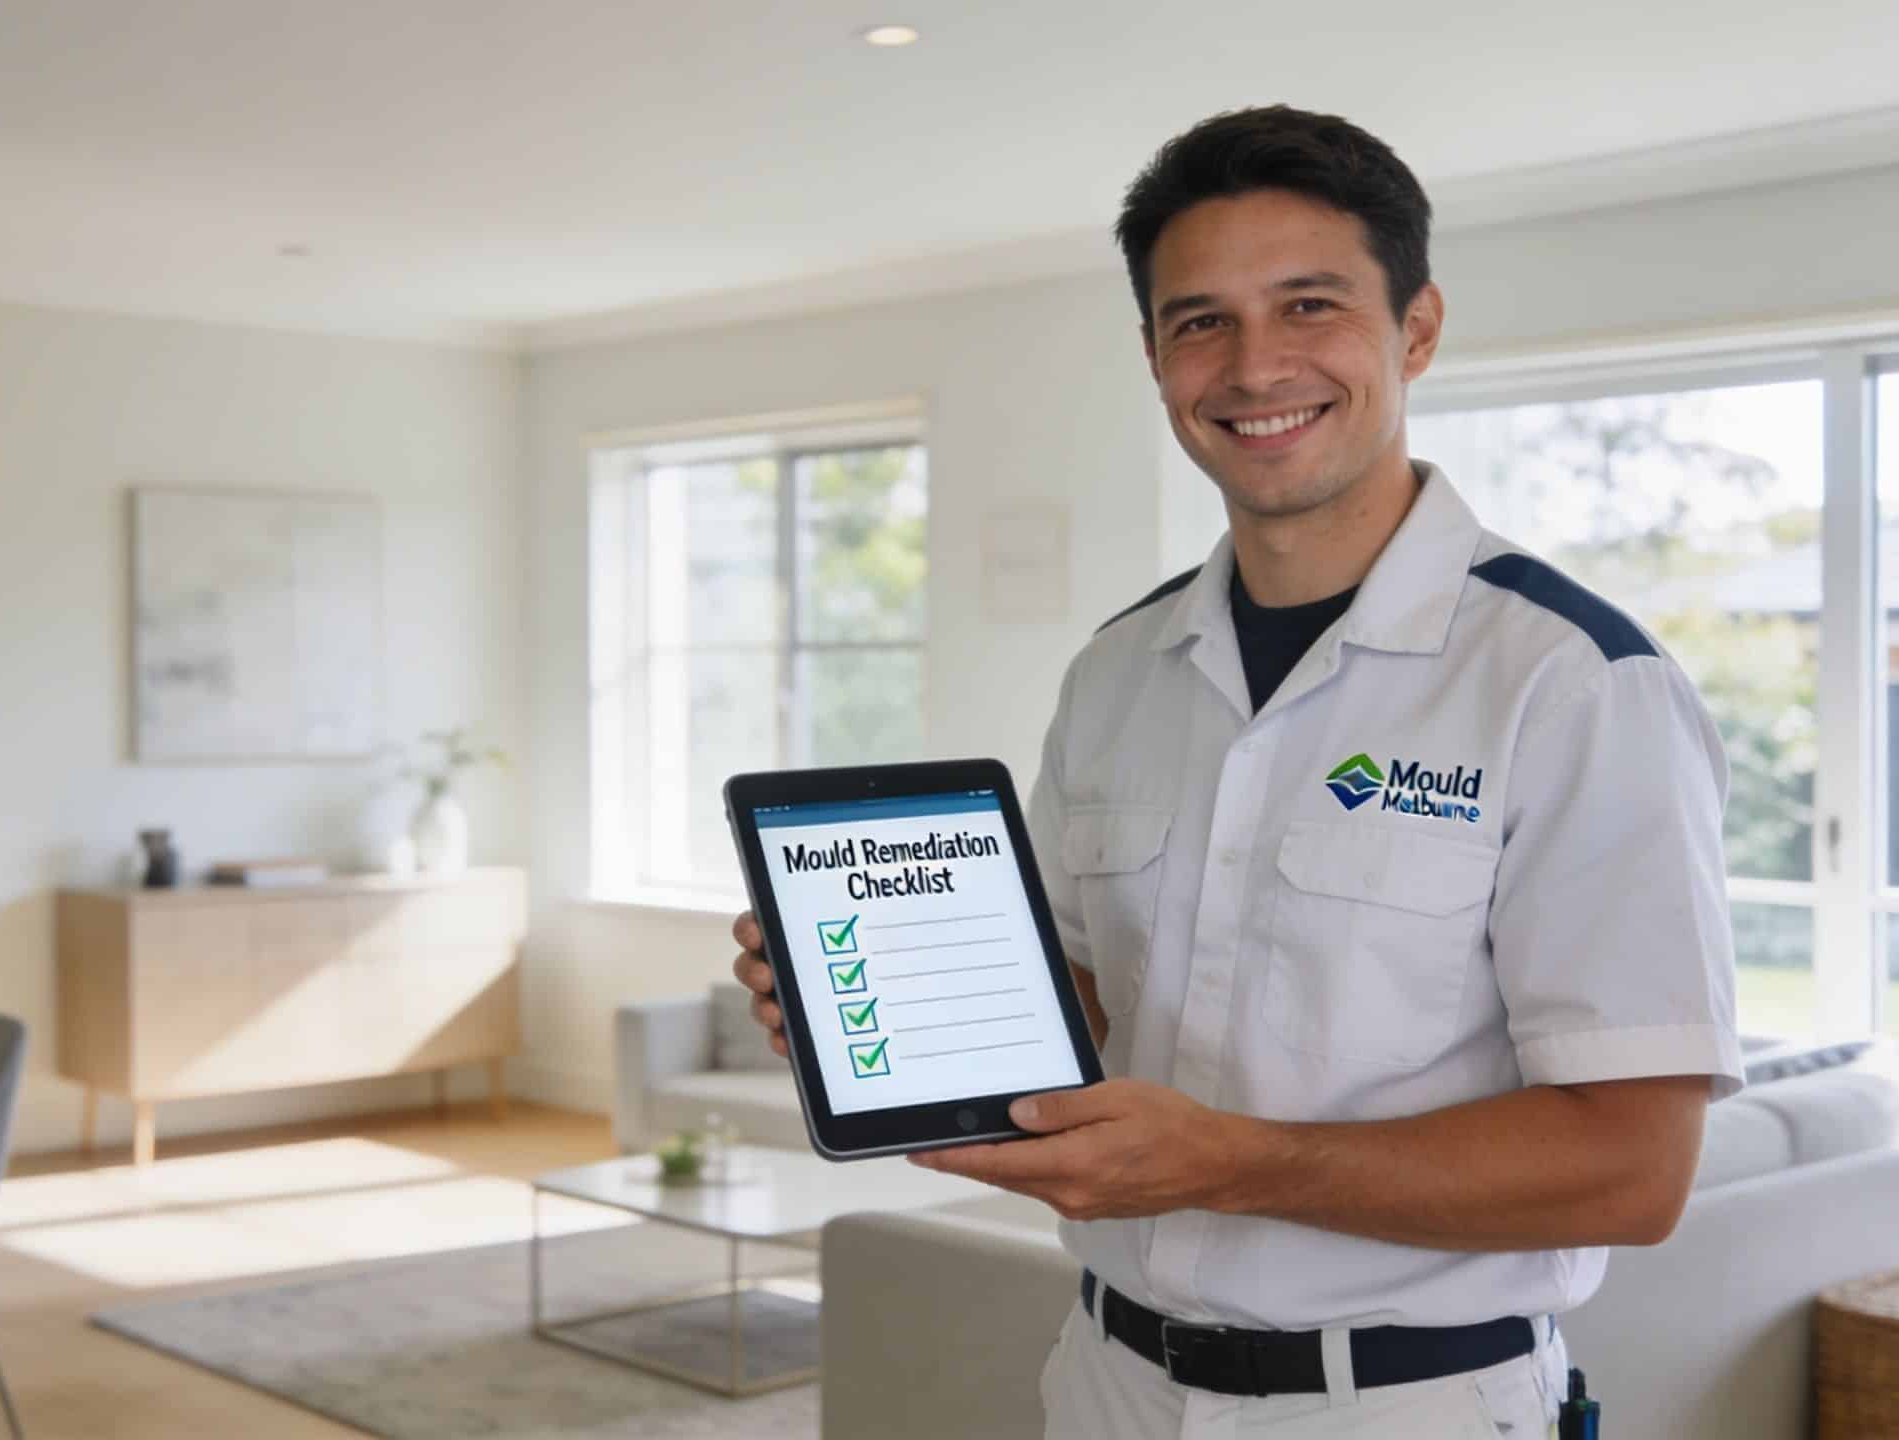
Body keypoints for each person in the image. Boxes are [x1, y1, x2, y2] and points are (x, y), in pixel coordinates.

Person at [729, 104, 1740, 1438]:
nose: (1255, 367)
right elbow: (1086, 1003)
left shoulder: (1572, 683)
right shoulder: (1118, 671)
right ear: (1154, 357)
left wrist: (1241, 1165)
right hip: (1105, 1382)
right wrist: (891, 1004)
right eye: (1199, 321)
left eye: (1309, 305)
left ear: (1416, 329)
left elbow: (1632, 1170)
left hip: (1405, 1409)